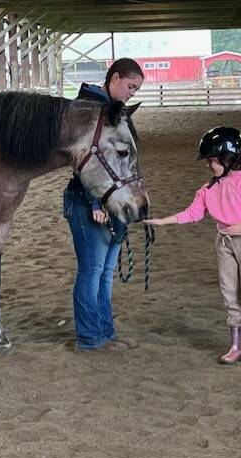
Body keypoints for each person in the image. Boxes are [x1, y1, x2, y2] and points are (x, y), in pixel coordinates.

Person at [144, 127, 241, 366]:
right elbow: (193, 212)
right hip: (224, 242)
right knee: (229, 294)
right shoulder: (209, 189)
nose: (209, 166)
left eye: (212, 161)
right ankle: (236, 345)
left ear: (228, 159)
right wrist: (164, 220)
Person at [64, 58, 144, 353]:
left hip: (113, 199)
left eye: (136, 89)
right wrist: (95, 201)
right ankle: (89, 337)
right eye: (130, 86)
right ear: (115, 78)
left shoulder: (112, 110)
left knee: (105, 271)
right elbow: (82, 162)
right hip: (89, 202)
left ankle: (105, 331)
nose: (132, 93)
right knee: (92, 270)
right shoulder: (87, 108)